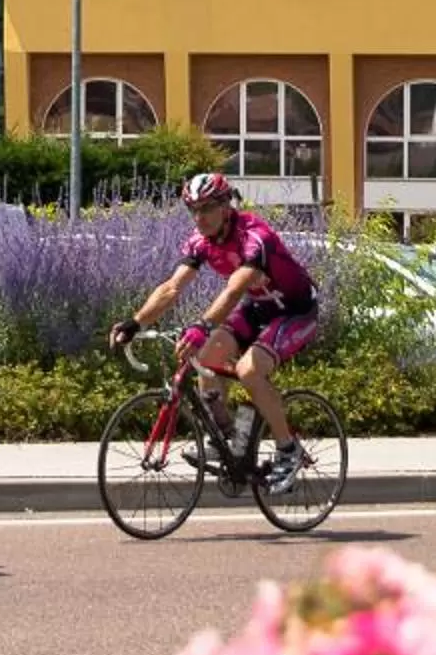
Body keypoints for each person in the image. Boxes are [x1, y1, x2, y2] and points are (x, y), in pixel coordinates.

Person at [112, 170, 318, 489]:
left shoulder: (254, 237)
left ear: (225, 206)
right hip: (259, 307)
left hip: (294, 311)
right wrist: (136, 322)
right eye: (193, 209)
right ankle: (225, 437)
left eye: (207, 208)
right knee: (205, 360)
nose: (199, 217)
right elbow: (171, 288)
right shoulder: (201, 243)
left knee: (250, 371)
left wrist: (202, 326)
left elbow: (234, 291)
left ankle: (288, 450)